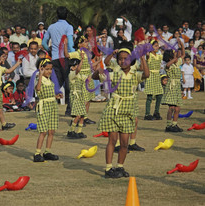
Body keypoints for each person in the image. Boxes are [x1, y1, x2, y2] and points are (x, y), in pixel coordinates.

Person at [96, 42, 149, 178]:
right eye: (120, 59)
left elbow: (146, 74)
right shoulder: (115, 73)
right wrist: (98, 71)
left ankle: (120, 167)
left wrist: (142, 57)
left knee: (125, 143)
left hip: (128, 111)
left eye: (126, 58)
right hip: (114, 110)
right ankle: (108, 169)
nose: (122, 61)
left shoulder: (134, 74)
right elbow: (97, 76)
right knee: (112, 141)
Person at [42, 6, 75, 115]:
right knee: (69, 84)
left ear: (57, 15)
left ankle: (49, 107)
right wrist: (73, 54)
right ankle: (69, 110)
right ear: (67, 15)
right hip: (65, 58)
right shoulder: (69, 27)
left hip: (55, 58)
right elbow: (70, 43)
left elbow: (43, 43)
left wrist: (49, 50)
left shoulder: (51, 27)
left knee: (55, 84)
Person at [33, 58, 63, 162]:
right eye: (46, 69)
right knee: (43, 131)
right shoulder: (38, 78)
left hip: (52, 106)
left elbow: (49, 93)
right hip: (44, 106)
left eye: (50, 69)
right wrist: (40, 75)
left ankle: (47, 151)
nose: (49, 71)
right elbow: (38, 89)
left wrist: (56, 96)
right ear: (41, 69)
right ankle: (37, 153)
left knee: (51, 130)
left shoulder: (49, 80)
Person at [64, 35, 96, 125]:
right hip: (82, 78)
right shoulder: (77, 53)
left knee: (88, 99)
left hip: (88, 76)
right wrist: (65, 45)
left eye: (87, 41)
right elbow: (67, 55)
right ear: (79, 44)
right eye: (85, 42)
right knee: (84, 99)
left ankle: (84, 117)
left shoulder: (87, 52)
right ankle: (79, 118)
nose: (87, 43)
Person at [162, 38, 185, 132]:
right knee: (171, 107)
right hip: (171, 86)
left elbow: (183, 54)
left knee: (177, 107)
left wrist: (182, 45)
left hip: (176, 86)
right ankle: (168, 125)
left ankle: (174, 124)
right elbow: (168, 65)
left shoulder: (177, 63)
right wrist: (176, 56)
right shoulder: (169, 65)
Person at [66, 56, 89, 139]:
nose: (79, 67)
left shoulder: (79, 75)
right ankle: (71, 130)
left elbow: (88, 78)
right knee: (77, 115)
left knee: (82, 115)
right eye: (77, 65)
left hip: (80, 96)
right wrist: (82, 60)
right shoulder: (71, 74)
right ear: (72, 67)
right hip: (75, 96)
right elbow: (78, 70)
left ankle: (79, 131)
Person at [144, 40, 164, 120]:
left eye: (157, 45)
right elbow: (147, 55)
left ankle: (156, 112)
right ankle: (147, 114)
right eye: (155, 45)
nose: (157, 47)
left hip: (157, 76)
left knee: (159, 95)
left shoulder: (159, 55)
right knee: (149, 96)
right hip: (150, 75)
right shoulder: (149, 55)